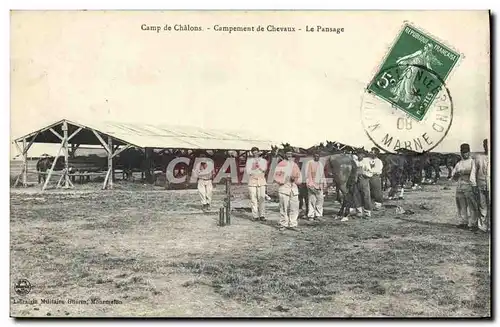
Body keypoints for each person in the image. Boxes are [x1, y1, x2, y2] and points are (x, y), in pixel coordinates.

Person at [451, 143, 479, 231]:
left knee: (472, 206)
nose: (464, 154)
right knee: (461, 205)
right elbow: (453, 176)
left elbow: (474, 175)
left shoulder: (472, 162)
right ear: (460, 153)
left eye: (466, 152)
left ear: (469, 152)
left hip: (469, 186)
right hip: (460, 186)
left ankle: (473, 224)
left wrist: (474, 186)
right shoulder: (459, 163)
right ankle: (463, 222)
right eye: (463, 152)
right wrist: (456, 174)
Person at [274, 150, 302, 231]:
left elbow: (299, 176)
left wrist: (296, 179)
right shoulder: (280, 165)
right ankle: (283, 224)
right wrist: (285, 179)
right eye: (287, 154)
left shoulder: (295, 165)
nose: (289, 156)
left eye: (290, 154)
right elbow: (276, 177)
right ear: (285, 155)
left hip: (293, 189)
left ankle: (293, 224)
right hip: (284, 189)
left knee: (294, 207)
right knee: (284, 207)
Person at [246, 147, 268, 221]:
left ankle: (262, 215)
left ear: (259, 152)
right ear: (252, 153)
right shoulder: (249, 161)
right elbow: (248, 171)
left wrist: (259, 166)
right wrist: (253, 168)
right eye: (254, 152)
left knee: (261, 198)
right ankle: (255, 215)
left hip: (261, 181)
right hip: (252, 181)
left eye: (256, 152)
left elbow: (264, 169)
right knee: (253, 198)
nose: (255, 154)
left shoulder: (263, 161)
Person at [306, 152, 327, 220]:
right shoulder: (310, 163)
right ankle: (311, 215)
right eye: (315, 156)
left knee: (320, 201)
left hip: (319, 185)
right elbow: (308, 174)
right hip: (312, 184)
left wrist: (324, 183)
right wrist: (310, 185)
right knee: (312, 200)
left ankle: (318, 215)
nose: (317, 157)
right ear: (313, 156)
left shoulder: (320, 164)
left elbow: (322, 174)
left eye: (318, 156)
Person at [475, 139, 490, 232]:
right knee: (482, 206)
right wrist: (473, 184)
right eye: (485, 144)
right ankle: (482, 227)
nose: (487, 146)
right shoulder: (478, 158)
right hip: (481, 185)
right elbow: (474, 172)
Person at [354, 149, 373, 219]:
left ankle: (367, 213)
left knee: (366, 196)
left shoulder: (366, 162)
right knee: (356, 196)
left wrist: (363, 173)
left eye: (361, 154)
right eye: (358, 154)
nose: (359, 155)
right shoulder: (355, 162)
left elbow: (370, 173)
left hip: (364, 180)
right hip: (356, 181)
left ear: (363, 155)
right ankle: (359, 212)